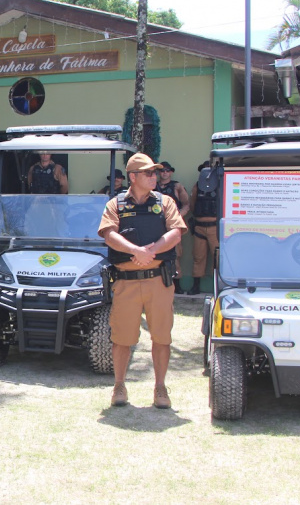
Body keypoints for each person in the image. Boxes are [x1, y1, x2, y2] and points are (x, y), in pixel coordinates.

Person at [97, 153, 186, 410]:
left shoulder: (165, 201)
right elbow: (109, 235)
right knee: (122, 338)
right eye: (148, 173)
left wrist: (152, 251)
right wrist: (137, 251)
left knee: (162, 337)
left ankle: (160, 387)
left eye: (155, 172)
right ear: (133, 177)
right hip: (126, 281)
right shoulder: (116, 204)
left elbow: (176, 233)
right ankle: (119, 386)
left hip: (159, 280)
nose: (154, 176)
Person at [157, 161, 190, 294]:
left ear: (171, 172)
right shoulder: (152, 186)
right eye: (162, 170)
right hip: (156, 225)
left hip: (172, 226)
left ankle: (177, 284)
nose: (164, 173)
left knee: (175, 255)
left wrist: (176, 218)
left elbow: (186, 205)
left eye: (167, 170)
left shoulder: (177, 186)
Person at [189, 161, 219, 296]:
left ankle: (219, 286)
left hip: (215, 227)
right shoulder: (197, 186)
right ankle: (196, 286)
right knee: (198, 257)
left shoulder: (220, 185)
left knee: (218, 258)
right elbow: (192, 204)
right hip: (200, 227)